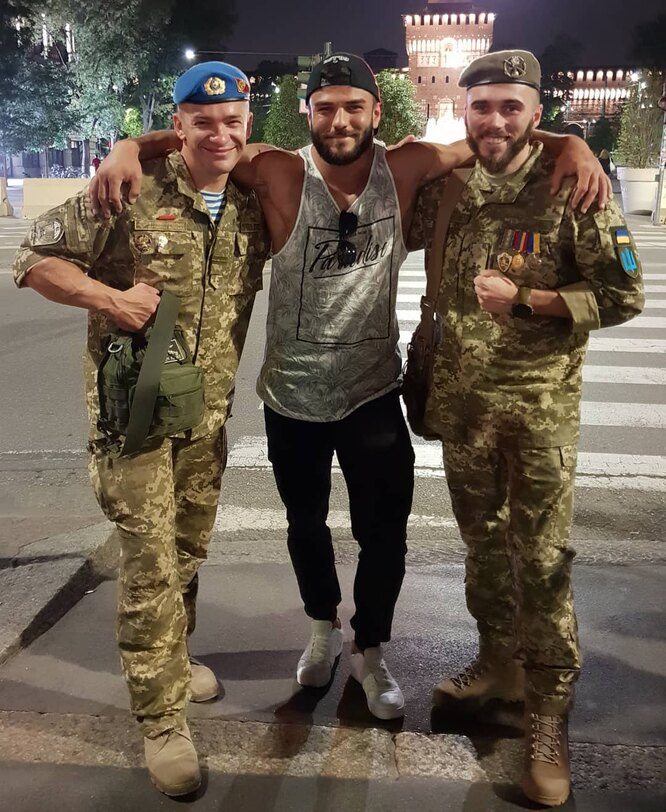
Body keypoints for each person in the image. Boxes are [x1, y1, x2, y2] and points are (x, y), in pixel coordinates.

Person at [90, 53, 611, 723]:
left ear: (376, 112)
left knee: (383, 534)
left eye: (353, 107)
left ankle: (371, 649)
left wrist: (570, 143)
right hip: (292, 396)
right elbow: (201, 134)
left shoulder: (408, 166)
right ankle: (321, 632)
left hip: (371, 393)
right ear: (307, 112)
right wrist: (129, 147)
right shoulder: (276, 169)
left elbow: (496, 136)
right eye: (326, 107)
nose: (339, 120)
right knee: (304, 524)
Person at [12, 62, 269, 797]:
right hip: (134, 422)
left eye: (231, 121)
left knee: (187, 550)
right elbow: (34, 259)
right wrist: (110, 299)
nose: (218, 134)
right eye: (201, 121)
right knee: (152, 562)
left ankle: (173, 660)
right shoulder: (130, 189)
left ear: (247, 124)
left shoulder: (253, 199)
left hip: (204, 417)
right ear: (178, 125)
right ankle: (161, 719)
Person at [408, 50, 644, 806]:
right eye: (482, 106)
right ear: (465, 113)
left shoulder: (574, 187)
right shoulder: (448, 190)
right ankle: (497, 663)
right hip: (463, 409)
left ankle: (547, 715)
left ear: (536, 114)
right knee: (482, 547)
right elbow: (374, 182)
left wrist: (529, 300)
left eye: (512, 106)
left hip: (538, 412)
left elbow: (624, 294)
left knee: (539, 561)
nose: (496, 120)